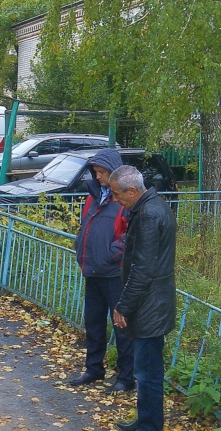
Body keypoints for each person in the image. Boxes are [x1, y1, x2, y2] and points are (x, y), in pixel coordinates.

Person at [109, 165, 177, 431]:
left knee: (147, 373)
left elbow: (143, 267)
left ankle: (150, 425)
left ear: (133, 190)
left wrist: (123, 306)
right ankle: (146, 420)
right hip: (152, 302)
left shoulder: (149, 213)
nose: (115, 200)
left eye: (117, 194)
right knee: (146, 370)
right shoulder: (152, 207)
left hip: (151, 305)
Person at [70, 148, 135, 394]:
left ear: (114, 172)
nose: (98, 177)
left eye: (102, 172)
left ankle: (126, 377)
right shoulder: (93, 196)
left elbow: (131, 236)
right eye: (95, 172)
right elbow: (84, 226)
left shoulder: (124, 199)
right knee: (94, 323)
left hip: (114, 273)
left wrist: (110, 254)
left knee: (122, 326)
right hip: (93, 270)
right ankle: (94, 368)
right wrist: (81, 250)